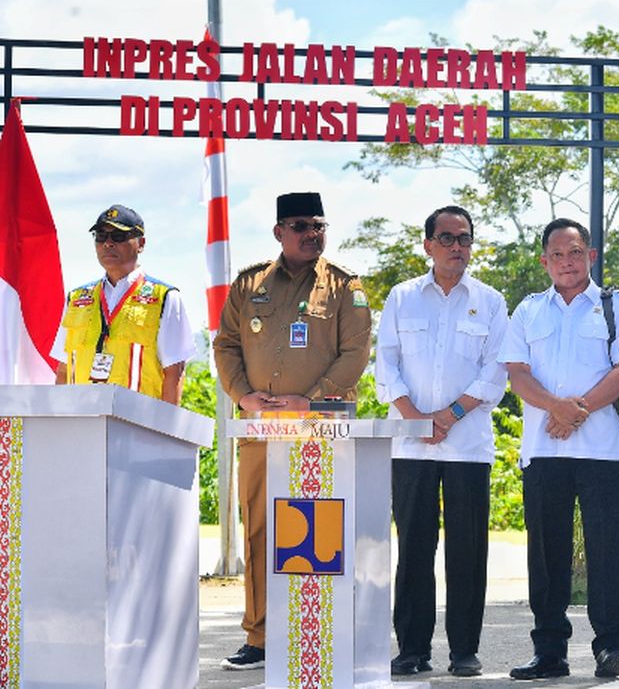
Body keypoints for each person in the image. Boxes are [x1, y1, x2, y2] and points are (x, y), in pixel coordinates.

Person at [213, 192, 372, 671]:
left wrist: (314, 399)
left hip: (322, 429)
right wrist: (243, 396)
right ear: (279, 231)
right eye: (301, 225)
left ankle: (325, 627)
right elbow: (226, 344)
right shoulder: (249, 284)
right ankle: (259, 637)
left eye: (318, 225)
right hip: (261, 429)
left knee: (323, 531)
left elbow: (356, 352)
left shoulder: (345, 287)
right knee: (260, 531)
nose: (312, 234)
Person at [374, 205, 508, 678]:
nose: (457, 247)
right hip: (411, 445)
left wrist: (447, 417)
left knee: (467, 550)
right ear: (428, 244)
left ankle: (464, 651)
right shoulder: (402, 297)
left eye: (465, 238)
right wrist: (415, 418)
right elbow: (385, 365)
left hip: (467, 445)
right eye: (447, 238)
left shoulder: (490, 301)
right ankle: (412, 649)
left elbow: (496, 371)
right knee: (413, 547)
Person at [501, 218, 619, 681]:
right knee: (547, 555)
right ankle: (549, 651)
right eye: (557, 254)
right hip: (544, 451)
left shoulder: (616, 305)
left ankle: (610, 647)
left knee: (608, 552)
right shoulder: (528, 311)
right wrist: (557, 407)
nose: (566, 262)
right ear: (544, 261)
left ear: (591, 256)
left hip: (603, 452)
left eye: (575, 252)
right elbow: (516, 375)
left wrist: (577, 411)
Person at [52, 204, 195, 403]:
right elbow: (64, 370)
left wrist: (163, 432)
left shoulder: (164, 297)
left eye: (118, 236)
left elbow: (174, 373)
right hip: (83, 424)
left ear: (141, 243)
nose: (108, 243)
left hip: (138, 426)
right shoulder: (77, 299)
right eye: (101, 236)